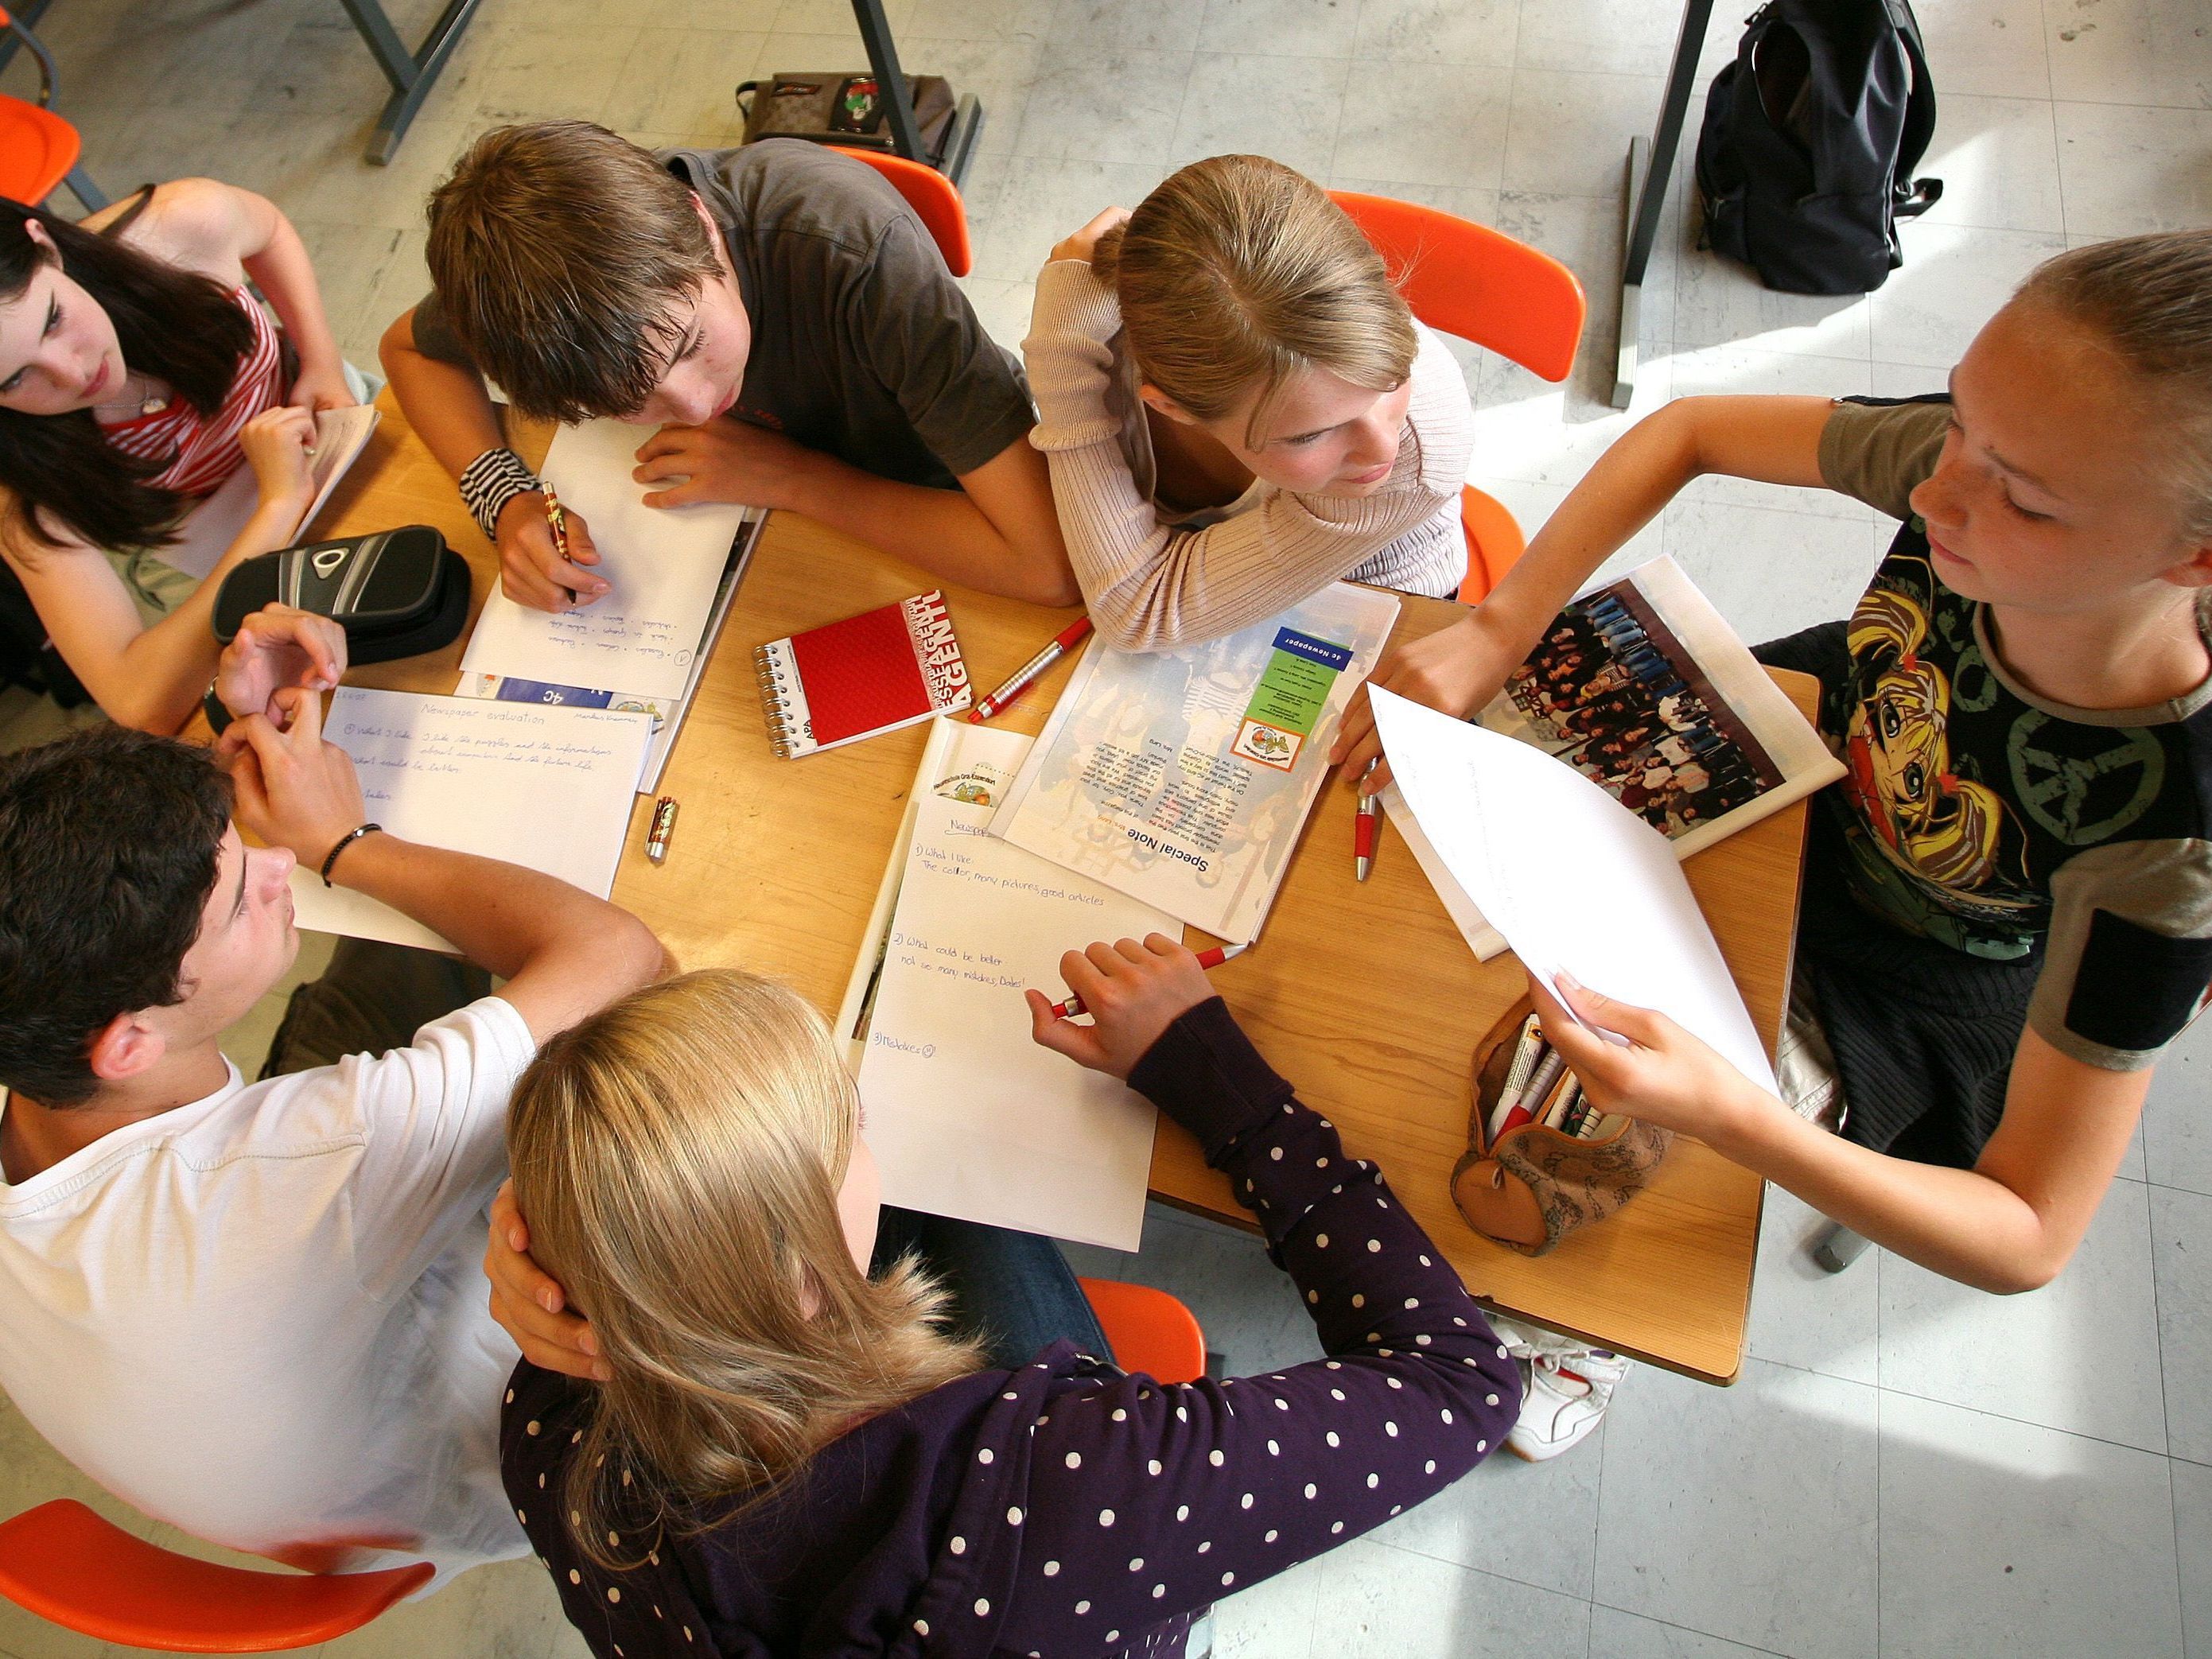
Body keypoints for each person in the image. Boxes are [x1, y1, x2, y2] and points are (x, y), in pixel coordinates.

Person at [1331, 231, 2212, 1457]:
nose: (1934, 493)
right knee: (1401, 889)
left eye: (2021, 496)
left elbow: (2028, 1235)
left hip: (1908, 971)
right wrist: (1503, 620)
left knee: (1551, 1153)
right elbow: (1685, 431)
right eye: (1957, 421)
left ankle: (1570, 1352)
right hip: (1802, 740)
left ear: (2196, 556)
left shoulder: (2166, 850)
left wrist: (1745, 1120)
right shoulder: (1989, 454)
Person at [492, 939, 1520, 1658]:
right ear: (803, 1273)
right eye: (848, 1126)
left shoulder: (556, 1446)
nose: (869, 1133)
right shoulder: (1085, 1480)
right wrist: (1217, 1081)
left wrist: (577, 1224)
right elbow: (1463, 1381)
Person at [0, 659, 667, 1586]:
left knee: (416, 944)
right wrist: (340, 842)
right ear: (127, 1044)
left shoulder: (32, 1030)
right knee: (696, 1071)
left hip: (286, 1418)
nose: (277, 868)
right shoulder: (306, 1161)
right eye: (239, 899)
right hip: (505, 1453)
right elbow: (624, 956)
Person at [380, 121, 1075, 616]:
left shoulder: (853, 251)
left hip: (932, 498)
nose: (693, 405)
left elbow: (1048, 564)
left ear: (702, 225)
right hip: (768, 536)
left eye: (687, 344)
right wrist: (505, 500)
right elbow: (407, 351)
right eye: (629, 403)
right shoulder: (535, 289)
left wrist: (795, 478)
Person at [1023, 154, 1475, 651]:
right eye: (1308, 435)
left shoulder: (1416, 453)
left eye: (1391, 381)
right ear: (1172, 406)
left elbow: (1138, 616)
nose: (1381, 449)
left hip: (1376, 604)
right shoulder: (1121, 337)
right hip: (1203, 563)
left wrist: (1061, 368)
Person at [0, 184, 358, 732]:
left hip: (329, 432)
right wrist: (279, 505)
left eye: (52, 318)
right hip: (207, 546)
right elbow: (139, 700)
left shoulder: (177, 226)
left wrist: (321, 357)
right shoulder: (22, 481)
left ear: (44, 242)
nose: (73, 374)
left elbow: (270, 232)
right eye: (17, 378)